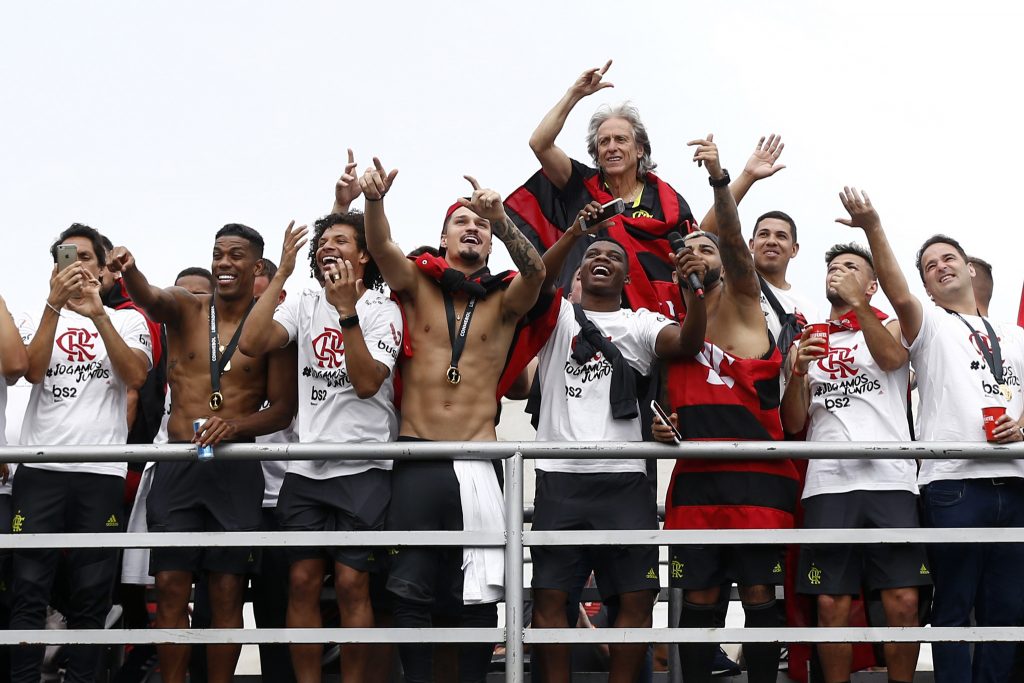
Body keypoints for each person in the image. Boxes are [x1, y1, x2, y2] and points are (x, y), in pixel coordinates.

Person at [360, 158, 545, 682]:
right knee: (409, 587)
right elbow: (380, 247)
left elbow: (537, 273)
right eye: (462, 221)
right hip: (418, 453)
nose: (473, 228)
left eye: (481, 225)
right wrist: (373, 201)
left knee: (480, 589)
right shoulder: (416, 284)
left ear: (491, 242)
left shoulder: (505, 298)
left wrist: (503, 218)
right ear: (443, 237)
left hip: (478, 457)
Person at [837, 187, 1024, 683]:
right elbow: (898, 295)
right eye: (929, 266)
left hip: (1015, 482)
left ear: (970, 268)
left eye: (949, 258)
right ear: (927, 285)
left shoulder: (1016, 336)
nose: (941, 267)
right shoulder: (931, 324)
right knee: (954, 605)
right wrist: (872, 226)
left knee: (1007, 608)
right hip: (954, 482)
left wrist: (1023, 424)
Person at [106, 224, 296, 683]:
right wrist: (130, 271)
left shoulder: (270, 328)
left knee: (227, 592)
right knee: (171, 587)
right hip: (180, 463)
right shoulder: (187, 306)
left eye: (236, 255)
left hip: (235, 468)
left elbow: (282, 410)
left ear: (256, 266)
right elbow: (151, 298)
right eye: (218, 254)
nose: (224, 263)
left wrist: (235, 426)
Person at [528, 201, 706, 683]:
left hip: (625, 482)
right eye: (593, 255)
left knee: (636, 598)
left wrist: (694, 290)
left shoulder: (641, 322)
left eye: (613, 256)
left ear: (627, 276)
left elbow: (688, 343)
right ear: (580, 270)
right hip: (560, 479)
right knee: (549, 598)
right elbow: (537, 277)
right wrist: (574, 232)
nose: (602, 258)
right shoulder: (557, 317)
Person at [653, 137, 799, 683]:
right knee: (699, 596)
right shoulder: (669, 321)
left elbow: (734, 241)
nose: (697, 253)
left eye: (706, 248)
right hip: (696, 477)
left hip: (756, 474)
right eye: (688, 249)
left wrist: (722, 179)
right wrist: (658, 424)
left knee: (759, 593)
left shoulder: (743, 299)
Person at [239, 212, 402, 683]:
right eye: (323, 240)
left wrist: (347, 311)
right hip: (305, 470)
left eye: (341, 240)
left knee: (352, 584)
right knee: (301, 581)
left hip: (365, 468)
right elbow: (251, 343)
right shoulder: (304, 301)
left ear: (364, 254)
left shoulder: (383, 309)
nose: (328, 246)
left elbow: (367, 383)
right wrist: (283, 274)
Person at [780, 240, 928, 683]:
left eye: (851, 267)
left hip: (891, 481)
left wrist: (860, 308)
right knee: (831, 603)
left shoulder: (891, 325)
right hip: (828, 485)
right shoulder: (805, 340)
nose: (838, 272)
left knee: (904, 601)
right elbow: (793, 422)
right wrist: (798, 373)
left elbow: (892, 360)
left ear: (872, 285)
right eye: (833, 267)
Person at [10, 224, 153, 683]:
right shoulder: (36, 314)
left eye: (86, 257)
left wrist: (98, 315)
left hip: (101, 472)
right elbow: (31, 372)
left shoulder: (128, 320)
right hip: (41, 469)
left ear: (105, 266)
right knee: (28, 588)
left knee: (92, 592)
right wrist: (54, 305)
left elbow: (135, 376)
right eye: (67, 258)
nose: (77, 267)